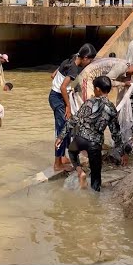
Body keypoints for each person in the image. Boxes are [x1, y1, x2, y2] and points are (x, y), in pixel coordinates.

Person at [56, 76, 127, 191]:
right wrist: (122, 153)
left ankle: (80, 172)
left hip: (80, 139)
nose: (93, 90)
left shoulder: (89, 102)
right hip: (95, 144)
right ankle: (95, 200)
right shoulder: (111, 108)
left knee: (72, 152)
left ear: (98, 89)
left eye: (94, 88)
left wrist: (61, 136)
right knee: (96, 177)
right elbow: (115, 132)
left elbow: (74, 120)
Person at [49, 43, 97, 172]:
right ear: (85, 57)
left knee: (63, 128)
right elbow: (63, 87)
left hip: (55, 97)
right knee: (62, 131)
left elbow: (53, 75)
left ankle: (62, 157)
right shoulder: (74, 68)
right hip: (59, 99)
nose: (89, 63)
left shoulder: (68, 60)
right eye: (90, 60)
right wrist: (68, 106)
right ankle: (57, 164)